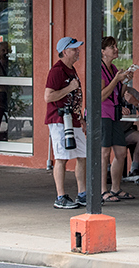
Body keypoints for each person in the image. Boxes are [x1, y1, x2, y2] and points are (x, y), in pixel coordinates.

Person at [44, 37, 87, 209]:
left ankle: (82, 193)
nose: (78, 51)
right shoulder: (57, 71)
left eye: (77, 49)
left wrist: (81, 118)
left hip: (74, 119)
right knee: (61, 157)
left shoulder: (71, 70)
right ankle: (60, 196)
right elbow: (48, 96)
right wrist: (70, 88)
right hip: (60, 120)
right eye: (74, 49)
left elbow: (76, 98)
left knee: (82, 155)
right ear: (64, 51)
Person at [100, 36, 136, 202]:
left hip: (115, 114)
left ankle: (116, 187)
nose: (116, 49)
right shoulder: (99, 70)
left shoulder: (114, 68)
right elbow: (100, 96)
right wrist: (116, 80)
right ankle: (102, 189)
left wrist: (126, 81)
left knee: (121, 152)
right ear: (103, 51)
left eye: (115, 46)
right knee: (104, 153)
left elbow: (118, 94)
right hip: (102, 114)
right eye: (111, 47)